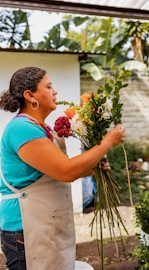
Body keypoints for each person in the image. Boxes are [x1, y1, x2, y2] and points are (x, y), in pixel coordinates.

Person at [0, 66, 126, 270]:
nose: (55, 91)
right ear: (29, 95)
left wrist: (92, 169)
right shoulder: (22, 129)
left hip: (43, 224)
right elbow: (66, 171)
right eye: (49, 86)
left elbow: (50, 174)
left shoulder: (42, 129)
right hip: (25, 229)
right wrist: (105, 143)